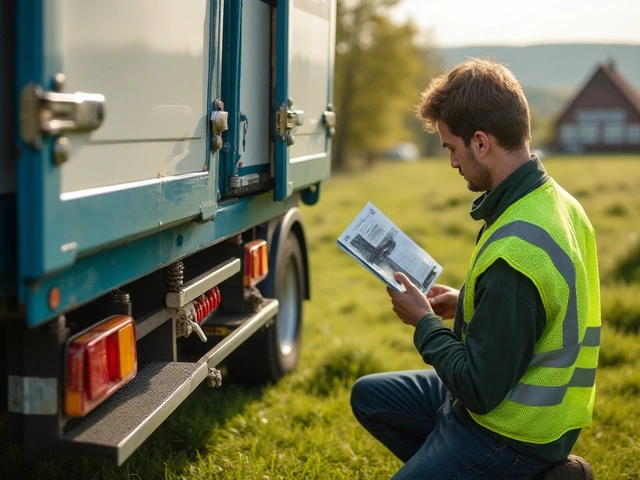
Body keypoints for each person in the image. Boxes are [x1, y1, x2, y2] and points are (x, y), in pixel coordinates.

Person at [350, 59, 600, 480]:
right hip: (511, 403)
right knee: (370, 397)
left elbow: (480, 390)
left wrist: (425, 323)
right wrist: (463, 301)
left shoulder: (516, 257)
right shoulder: (553, 201)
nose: (451, 162)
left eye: (451, 147)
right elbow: (532, 310)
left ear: (481, 143)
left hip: (509, 431)